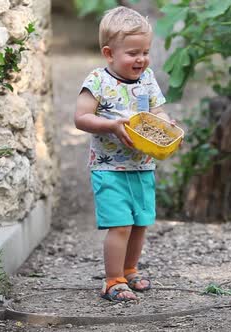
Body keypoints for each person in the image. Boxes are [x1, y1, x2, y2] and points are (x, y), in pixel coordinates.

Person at [74, 6, 170, 301]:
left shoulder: (148, 78)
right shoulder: (97, 81)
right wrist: (112, 126)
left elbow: (158, 111)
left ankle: (130, 269)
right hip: (109, 169)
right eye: (132, 53)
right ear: (109, 53)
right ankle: (112, 280)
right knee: (120, 225)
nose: (140, 59)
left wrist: (166, 123)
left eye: (144, 51)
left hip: (142, 165)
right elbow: (81, 119)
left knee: (140, 223)